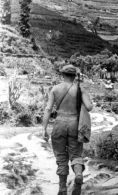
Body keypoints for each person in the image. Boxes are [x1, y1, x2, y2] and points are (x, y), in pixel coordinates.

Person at [42, 65, 93, 195]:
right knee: (76, 154)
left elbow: (48, 109)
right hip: (75, 124)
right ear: (75, 76)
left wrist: (44, 129)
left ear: (62, 75)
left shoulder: (55, 89)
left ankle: (62, 188)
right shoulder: (80, 89)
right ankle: (78, 174)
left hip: (59, 123)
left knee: (61, 156)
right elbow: (89, 107)